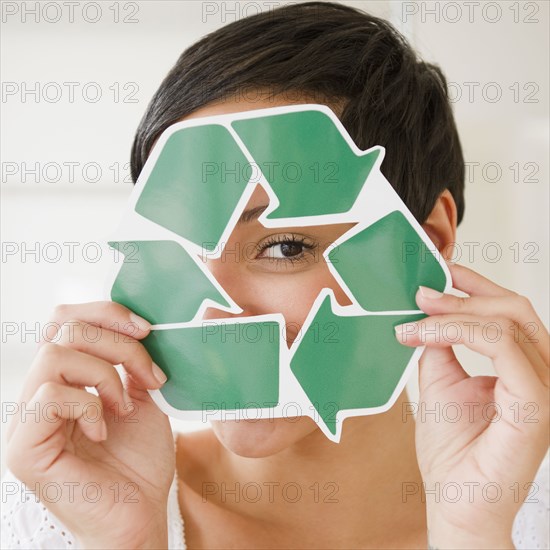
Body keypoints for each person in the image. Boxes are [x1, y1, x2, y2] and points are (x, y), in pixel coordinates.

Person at [2, 3, 548, 549]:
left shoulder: (524, 515)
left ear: (427, 243)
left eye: (283, 246)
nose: (213, 310)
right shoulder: (58, 511)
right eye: (181, 251)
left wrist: (474, 533)